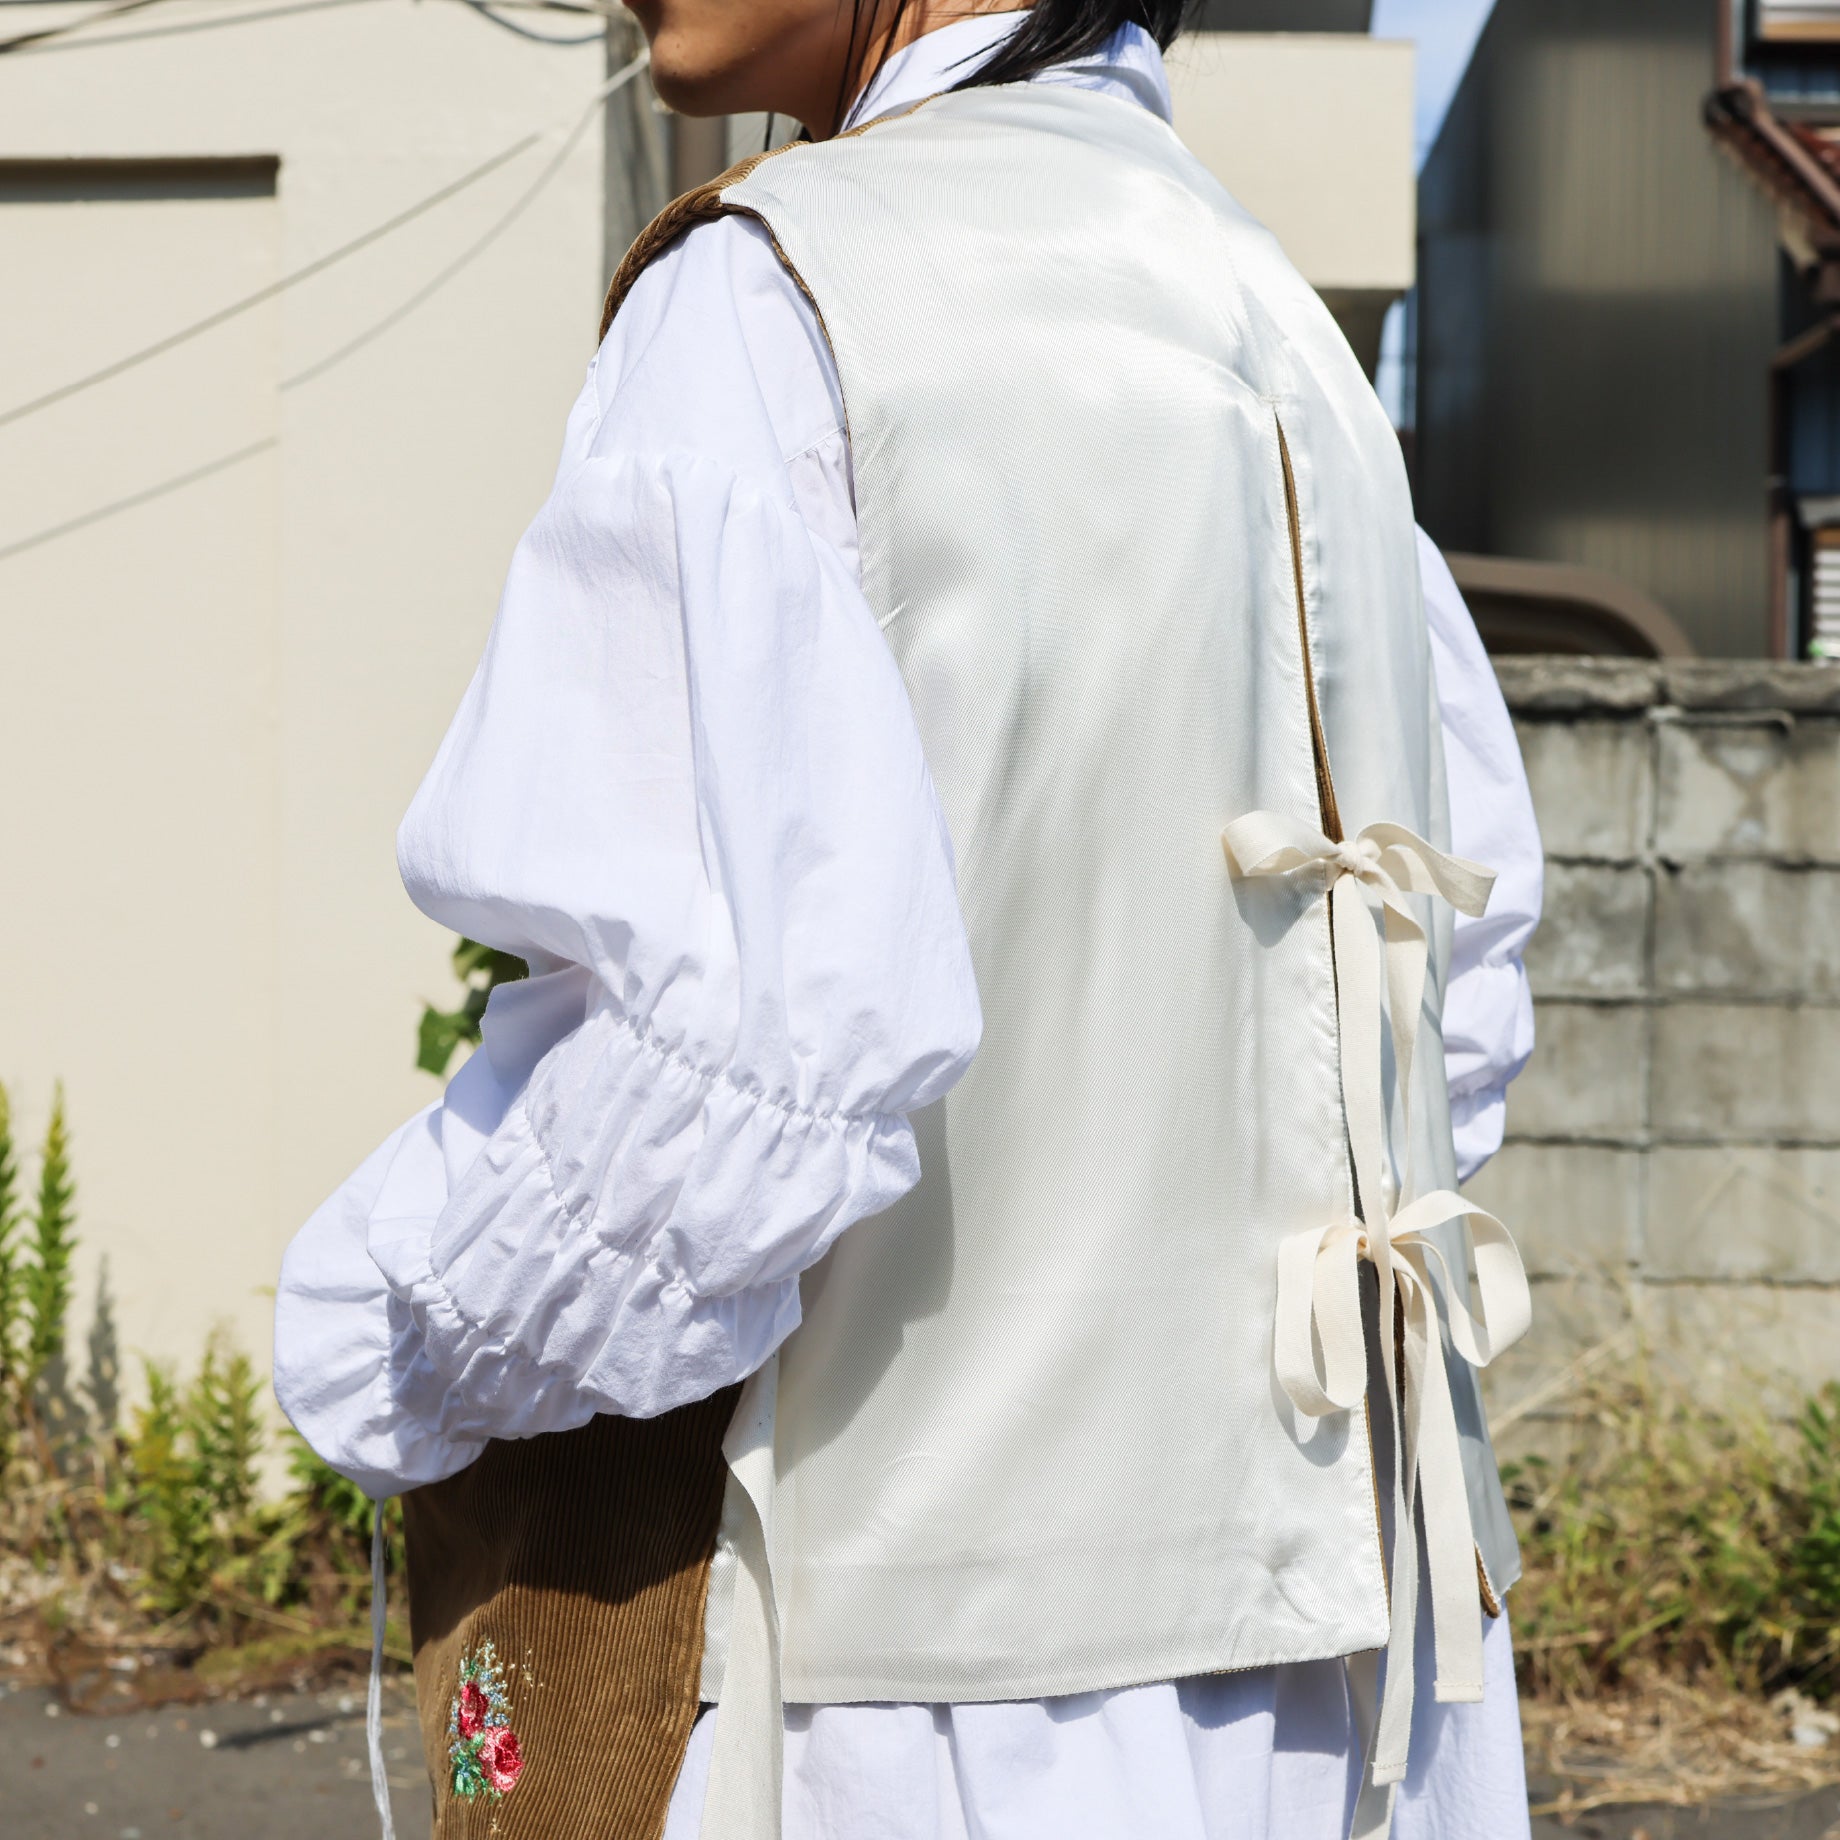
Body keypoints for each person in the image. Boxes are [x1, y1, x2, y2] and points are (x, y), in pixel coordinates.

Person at [274, 5, 1545, 1838]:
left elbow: (742, 1065)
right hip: (1362, 1682)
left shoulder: (778, 298)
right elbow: (1461, 997)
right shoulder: (1281, 322)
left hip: (918, 1697)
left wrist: (382, 1332)